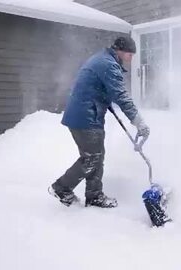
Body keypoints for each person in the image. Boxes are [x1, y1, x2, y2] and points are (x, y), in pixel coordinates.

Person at [48, 36, 149, 208]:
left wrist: (104, 98)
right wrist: (139, 122)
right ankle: (61, 188)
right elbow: (122, 97)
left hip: (88, 114)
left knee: (96, 156)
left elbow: (97, 87)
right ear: (120, 50)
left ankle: (94, 195)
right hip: (85, 116)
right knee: (91, 158)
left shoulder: (103, 59)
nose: (131, 59)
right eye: (130, 55)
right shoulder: (108, 65)